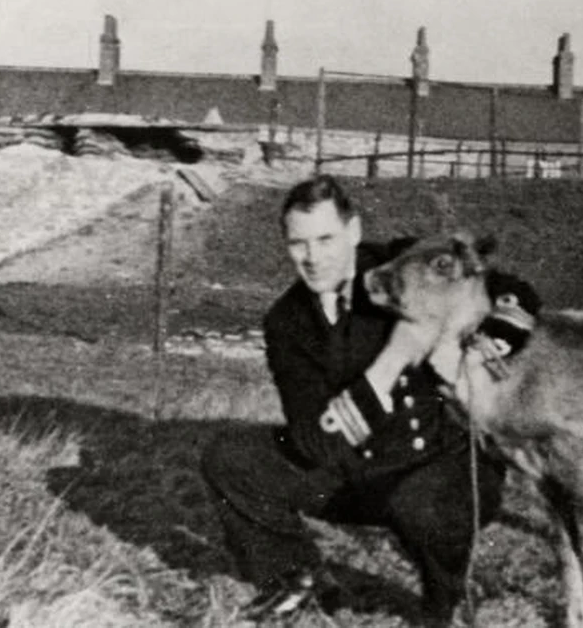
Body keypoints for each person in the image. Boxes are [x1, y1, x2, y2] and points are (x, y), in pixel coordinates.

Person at [201, 175, 539, 627]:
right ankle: (296, 577)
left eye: (326, 239)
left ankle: (445, 596)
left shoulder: (399, 265)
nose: (313, 257)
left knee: (420, 505)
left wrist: (479, 351)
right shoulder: (287, 321)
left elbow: (514, 295)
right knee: (229, 458)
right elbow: (313, 440)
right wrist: (393, 360)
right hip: (352, 468)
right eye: (299, 243)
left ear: (354, 231)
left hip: (440, 461)